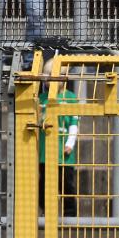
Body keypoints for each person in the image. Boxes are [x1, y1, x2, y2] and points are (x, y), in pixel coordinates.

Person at [38, 57, 78, 218]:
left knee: (67, 183)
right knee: (45, 183)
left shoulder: (70, 97)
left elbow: (74, 122)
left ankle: (70, 214)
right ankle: (46, 211)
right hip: (45, 152)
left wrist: (70, 143)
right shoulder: (42, 99)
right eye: (46, 78)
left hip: (64, 154)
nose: (48, 82)